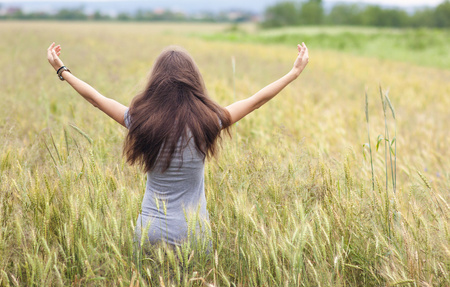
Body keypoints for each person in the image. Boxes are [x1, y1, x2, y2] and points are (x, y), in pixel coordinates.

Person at [47, 41, 309, 250]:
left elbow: (96, 98)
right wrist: (293, 73)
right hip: (192, 233)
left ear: (156, 82)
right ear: (193, 80)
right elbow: (256, 100)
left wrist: (62, 70)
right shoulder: (210, 121)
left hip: (150, 230)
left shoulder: (140, 120)